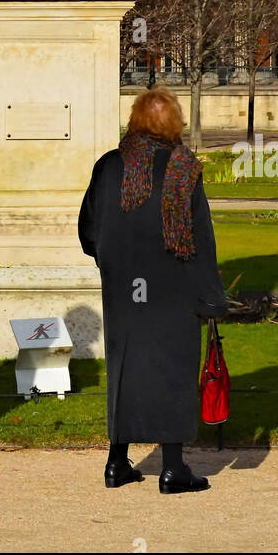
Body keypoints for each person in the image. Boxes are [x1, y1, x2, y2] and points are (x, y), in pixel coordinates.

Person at [79, 87, 228, 494]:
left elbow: (88, 229)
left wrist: (108, 260)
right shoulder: (183, 168)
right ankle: (173, 467)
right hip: (172, 286)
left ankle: (116, 461)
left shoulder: (109, 166)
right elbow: (200, 240)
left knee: (124, 368)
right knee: (172, 372)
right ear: (174, 122)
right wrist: (212, 297)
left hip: (123, 286)